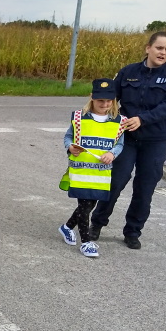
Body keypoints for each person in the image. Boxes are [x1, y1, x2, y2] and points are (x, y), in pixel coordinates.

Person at [89, 32, 166, 249]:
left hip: (155, 140)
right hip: (127, 138)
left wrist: (143, 119)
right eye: (159, 48)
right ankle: (97, 223)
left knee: (145, 188)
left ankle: (132, 231)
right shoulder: (128, 72)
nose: (163, 53)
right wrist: (97, 116)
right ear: (148, 48)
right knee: (116, 181)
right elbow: (111, 98)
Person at [58, 78, 126, 258]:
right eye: (100, 100)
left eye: (109, 100)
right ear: (92, 98)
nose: (105, 104)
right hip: (81, 171)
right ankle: (86, 242)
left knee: (89, 205)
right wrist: (70, 147)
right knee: (85, 206)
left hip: (101, 174)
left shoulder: (119, 121)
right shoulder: (79, 118)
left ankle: (66, 227)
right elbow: (68, 137)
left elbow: (119, 144)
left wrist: (112, 154)